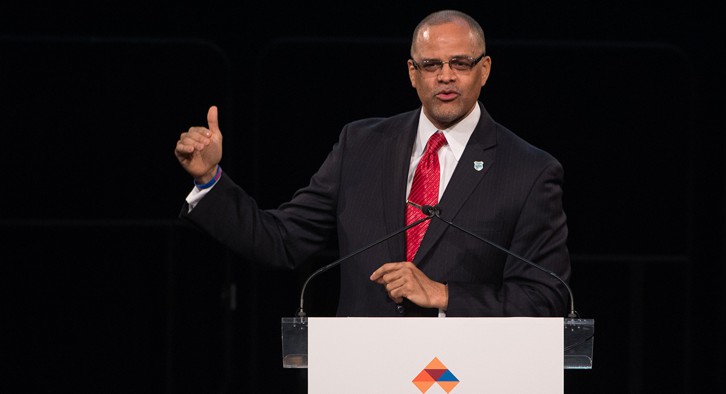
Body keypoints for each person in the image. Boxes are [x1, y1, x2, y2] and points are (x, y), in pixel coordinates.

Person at [174, 9, 572, 317]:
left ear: (483, 70)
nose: (445, 77)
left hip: (467, 374)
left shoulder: (529, 170)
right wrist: (209, 179)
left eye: (460, 63)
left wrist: (444, 295)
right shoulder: (360, 146)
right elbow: (282, 240)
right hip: (366, 371)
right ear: (412, 74)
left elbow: (546, 297)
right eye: (431, 65)